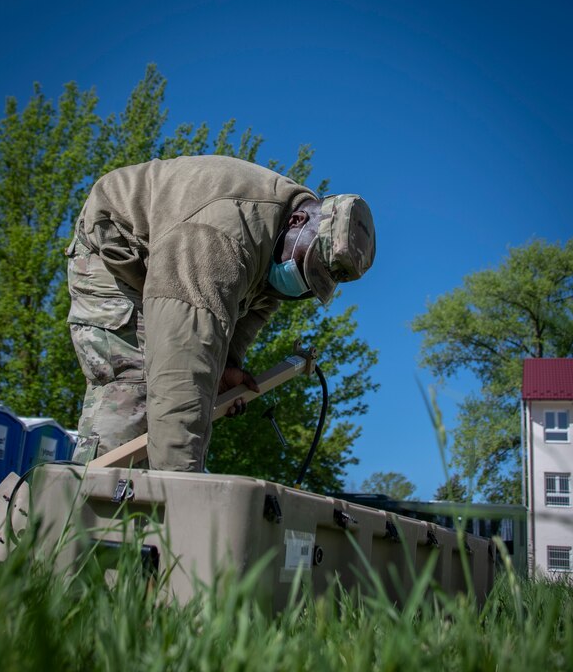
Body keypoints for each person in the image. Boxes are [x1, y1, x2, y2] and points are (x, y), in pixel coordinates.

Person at [67, 155, 376, 471]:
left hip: (172, 261)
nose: (299, 285)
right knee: (136, 389)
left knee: (184, 400)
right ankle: (87, 508)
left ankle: (137, 505)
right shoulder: (220, 237)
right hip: (115, 251)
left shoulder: (278, 239)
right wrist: (180, 487)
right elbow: (182, 364)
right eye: (304, 266)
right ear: (298, 222)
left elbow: (261, 301)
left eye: (312, 282)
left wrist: (226, 364)